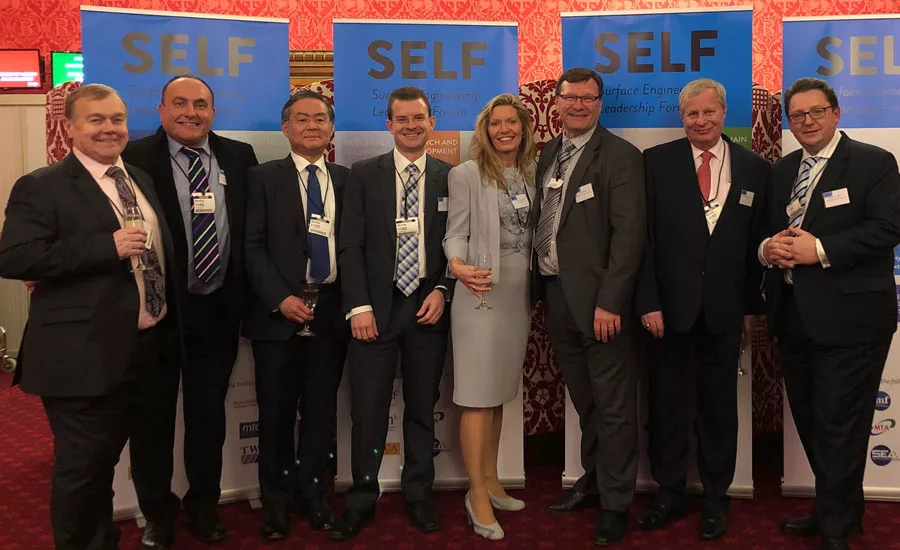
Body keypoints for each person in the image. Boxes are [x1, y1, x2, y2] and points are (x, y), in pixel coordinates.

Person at [0, 83, 179, 550]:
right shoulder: (42, 185)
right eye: (95, 119)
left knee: (153, 449)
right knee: (85, 470)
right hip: (82, 356)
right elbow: (14, 257)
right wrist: (105, 247)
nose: (109, 128)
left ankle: (156, 524)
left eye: (117, 119)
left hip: (151, 346)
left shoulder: (138, 177)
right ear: (70, 127)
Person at [760, 77, 900, 550]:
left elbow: (888, 228)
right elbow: (768, 230)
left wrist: (819, 249)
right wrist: (768, 248)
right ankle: (836, 509)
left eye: (816, 111)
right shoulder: (783, 170)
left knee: (841, 423)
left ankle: (836, 524)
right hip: (793, 316)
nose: (807, 121)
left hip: (853, 318)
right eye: (797, 115)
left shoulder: (873, 162)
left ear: (836, 113)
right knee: (812, 421)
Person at [121, 74, 258, 548]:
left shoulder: (239, 157)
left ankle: (203, 506)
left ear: (213, 113)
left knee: (207, 418)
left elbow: (250, 230)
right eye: (179, 103)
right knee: (152, 420)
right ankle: (157, 514)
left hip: (217, 310)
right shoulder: (133, 159)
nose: (190, 113)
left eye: (200, 105)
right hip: (159, 314)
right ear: (161, 111)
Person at [634, 78, 770, 540]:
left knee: (719, 411)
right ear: (681, 117)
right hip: (667, 313)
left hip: (724, 313)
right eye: (692, 114)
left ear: (724, 113)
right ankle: (669, 493)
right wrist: (648, 302)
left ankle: (715, 499)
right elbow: (642, 241)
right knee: (667, 408)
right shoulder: (656, 162)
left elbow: (757, 246)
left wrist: (751, 310)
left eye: (709, 112)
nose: (700, 121)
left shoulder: (754, 168)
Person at [331, 86, 453, 541]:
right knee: (368, 410)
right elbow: (350, 245)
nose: (411, 126)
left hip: (426, 309)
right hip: (374, 313)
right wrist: (358, 306)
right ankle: (362, 498)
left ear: (431, 123)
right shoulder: (364, 174)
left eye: (418, 118)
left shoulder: (450, 177)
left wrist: (443, 289)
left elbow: (457, 244)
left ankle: (419, 494)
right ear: (389, 125)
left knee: (422, 407)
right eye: (402, 119)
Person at [536, 68, 645, 546]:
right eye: (570, 97)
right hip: (557, 297)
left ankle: (616, 504)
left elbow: (629, 236)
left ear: (600, 103)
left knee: (614, 407)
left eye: (588, 98)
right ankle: (595, 481)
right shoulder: (548, 152)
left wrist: (610, 302)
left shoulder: (620, 156)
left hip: (602, 306)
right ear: (556, 101)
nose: (578, 105)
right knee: (587, 403)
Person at [243, 90, 350, 540]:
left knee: (321, 414)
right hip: (277, 317)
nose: (312, 125)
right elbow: (251, 247)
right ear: (285, 128)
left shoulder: (347, 179)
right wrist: (280, 298)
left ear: (331, 129)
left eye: (320, 118)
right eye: (301, 119)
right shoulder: (262, 178)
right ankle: (277, 503)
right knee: (276, 416)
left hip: (330, 315)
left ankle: (313, 495)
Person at [444, 93, 536, 540]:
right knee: (478, 395)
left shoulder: (532, 173)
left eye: (511, 122)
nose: (504, 130)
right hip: (480, 292)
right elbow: (454, 232)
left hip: (519, 296)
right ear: (485, 130)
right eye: (496, 123)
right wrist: (457, 266)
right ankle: (476, 493)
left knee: (497, 392)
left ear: (523, 128)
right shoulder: (466, 174)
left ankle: (493, 479)